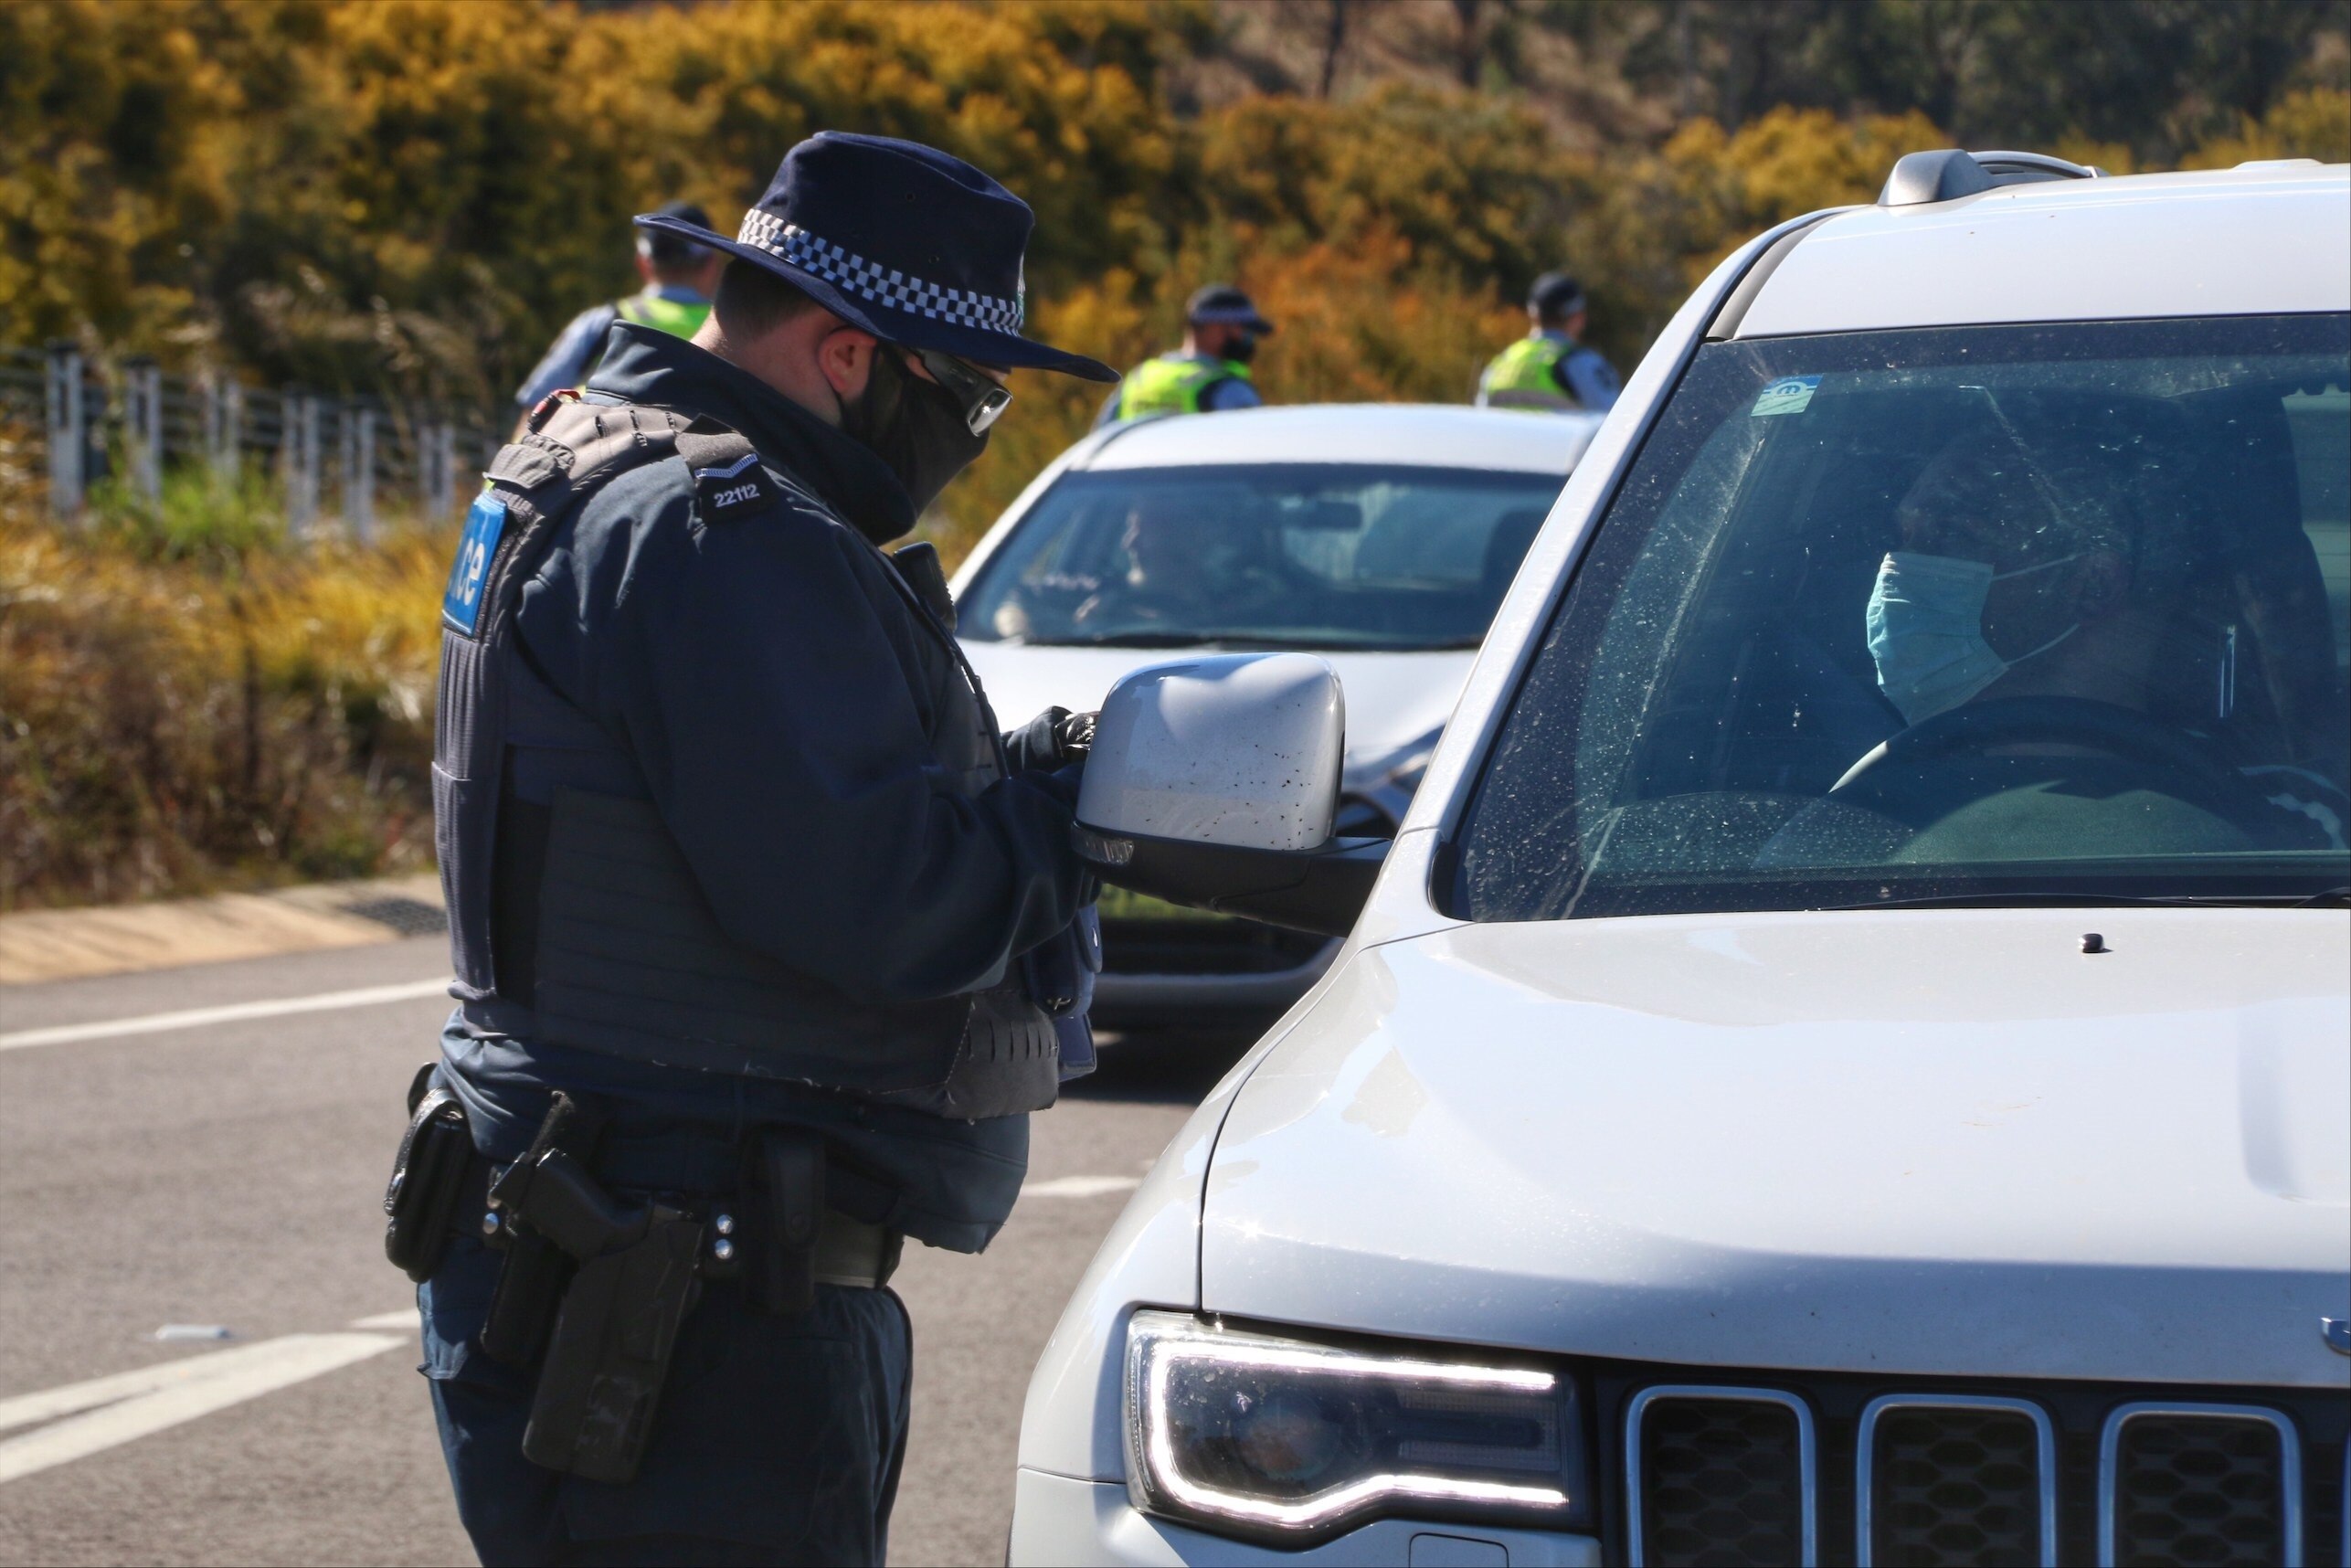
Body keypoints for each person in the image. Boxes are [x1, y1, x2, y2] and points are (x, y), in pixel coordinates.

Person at [391, 132, 1119, 1567]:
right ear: (852, 357)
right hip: (694, 1297)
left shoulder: (592, 458)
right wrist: (1061, 819)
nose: (974, 432)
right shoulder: (730, 534)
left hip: (594, 1227)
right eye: (969, 393)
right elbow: (882, 901)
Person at [509, 200, 729, 429]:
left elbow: (536, 407)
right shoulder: (734, 330)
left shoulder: (603, 321)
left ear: (643, 263)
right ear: (712, 264)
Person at [1095, 283, 1272, 424]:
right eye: (1243, 329)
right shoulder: (1230, 390)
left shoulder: (1140, 378)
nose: (1248, 339)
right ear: (1215, 328)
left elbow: (1099, 441)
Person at [1476, 270, 1620, 414]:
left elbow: (1481, 422)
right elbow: (1617, 424)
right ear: (1579, 317)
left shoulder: (1502, 362)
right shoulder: (1583, 364)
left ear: (1533, 315)